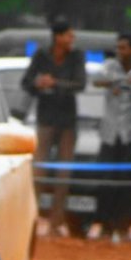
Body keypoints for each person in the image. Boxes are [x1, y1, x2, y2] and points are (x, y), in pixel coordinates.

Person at [21, 20, 86, 235]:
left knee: (63, 173)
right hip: (45, 118)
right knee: (38, 170)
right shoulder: (41, 55)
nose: (71, 40)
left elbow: (80, 84)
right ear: (57, 37)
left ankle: (56, 223)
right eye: (68, 36)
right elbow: (26, 82)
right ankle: (32, 219)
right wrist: (39, 83)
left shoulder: (77, 57)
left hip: (68, 120)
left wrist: (54, 82)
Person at [92, 33, 131, 242]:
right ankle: (104, 224)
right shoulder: (109, 66)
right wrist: (116, 81)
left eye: (123, 48)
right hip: (110, 133)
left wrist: (130, 89)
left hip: (130, 133)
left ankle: (125, 225)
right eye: (118, 48)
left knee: (127, 181)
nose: (119, 52)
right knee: (105, 179)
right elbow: (97, 80)